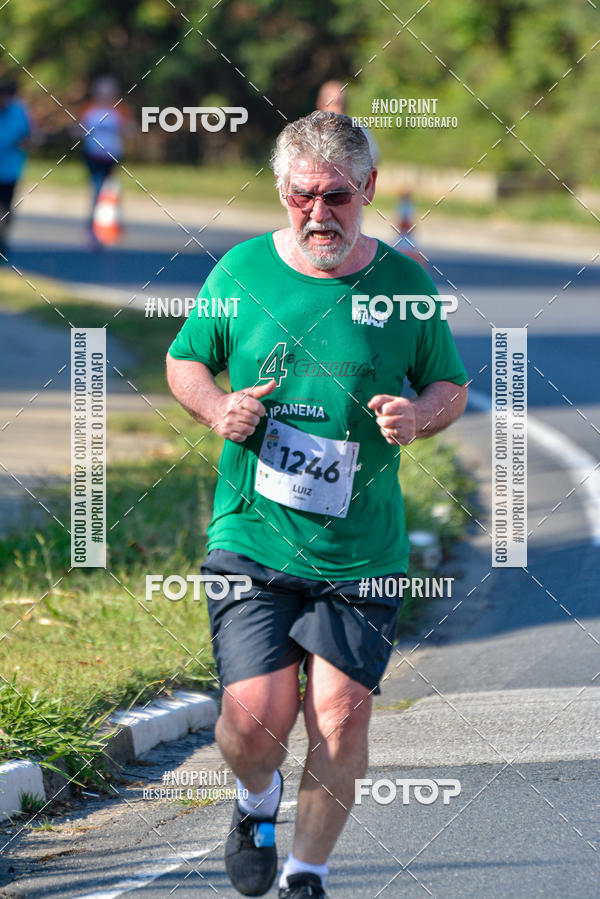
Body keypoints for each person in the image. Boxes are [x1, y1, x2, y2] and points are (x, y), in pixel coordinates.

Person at [166, 111, 468, 898]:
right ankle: (254, 799)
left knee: (340, 715)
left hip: (362, 548)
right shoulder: (241, 273)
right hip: (254, 534)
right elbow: (184, 360)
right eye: (303, 195)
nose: (319, 213)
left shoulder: (404, 286)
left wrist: (419, 415)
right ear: (280, 189)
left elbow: (449, 383)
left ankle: (306, 873)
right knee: (255, 720)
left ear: (369, 188)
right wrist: (217, 407)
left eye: (337, 195)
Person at [80, 75, 132, 245]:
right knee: (97, 190)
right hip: (93, 156)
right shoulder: (90, 110)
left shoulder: (119, 110)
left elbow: (130, 129)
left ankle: (112, 225)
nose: (105, 96)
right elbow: (79, 129)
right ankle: (92, 229)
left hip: (112, 157)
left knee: (112, 191)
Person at [0, 80, 32, 263]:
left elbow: (28, 136)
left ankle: (3, 238)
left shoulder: (19, 111)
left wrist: (19, 143)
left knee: (6, 207)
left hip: (11, 169)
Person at [316, 79, 379, 165]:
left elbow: (373, 157)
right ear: (320, 103)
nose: (339, 110)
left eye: (343, 104)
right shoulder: (309, 130)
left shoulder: (357, 128)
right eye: (336, 103)